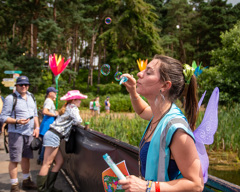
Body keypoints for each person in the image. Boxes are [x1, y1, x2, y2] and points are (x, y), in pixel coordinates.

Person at [118, 55, 204, 192]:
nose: (139, 74)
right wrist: (133, 91)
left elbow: (196, 184)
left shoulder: (177, 130)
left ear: (165, 85)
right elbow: (142, 110)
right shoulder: (159, 114)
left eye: (148, 72)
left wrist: (146, 187)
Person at [37, 90, 87, 192]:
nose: (80, 102)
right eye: (79, 99)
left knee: (59, 162)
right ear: (73, 100)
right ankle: (42, 189)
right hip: (54, 136)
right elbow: (78, 120)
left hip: (53, 135)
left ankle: (50, 187)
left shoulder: (67, 107)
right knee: (47, 163)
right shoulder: (73, 108)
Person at [0, 76, 40, 192]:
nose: (24, 87)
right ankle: (14, 185)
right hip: (16, 133)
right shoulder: (10, 98)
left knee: (26, 157)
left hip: (29, 133)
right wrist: (17, 121)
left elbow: (35, 114)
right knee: (15, 159)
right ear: (16, 86)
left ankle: (26, 181)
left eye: (26, 85)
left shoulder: (31, 96)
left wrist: (37, 127)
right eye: (21, 84)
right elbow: (3, 117)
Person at [37, 87, 58, 165]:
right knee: (46, 144)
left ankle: (41, 159)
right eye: (54, 92)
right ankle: (43, 160)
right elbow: (45, 111)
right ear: (50, 93)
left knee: (45, 143)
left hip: (47, 123)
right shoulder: (49, 101)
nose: (56, 94)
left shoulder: (49, 101)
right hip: (47, 124)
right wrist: (55, 114)